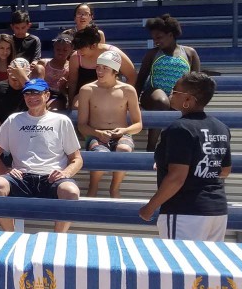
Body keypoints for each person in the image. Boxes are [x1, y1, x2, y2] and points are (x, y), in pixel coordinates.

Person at [139, 71, 231, 289]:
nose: (172, 96)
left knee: (182, 279)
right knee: (207, 277)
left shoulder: (179, 128)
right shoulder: (220, 127)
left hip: (185, 211)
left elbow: (177, 177)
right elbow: (224, 170)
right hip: (216, 210)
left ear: (189, 100)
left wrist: (150, 206)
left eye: (176, 92)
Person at [0, 78, 82, 233]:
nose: (31, 97)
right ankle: (10, 234)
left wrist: (65, 173)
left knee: (71, 191)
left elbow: (77, 159)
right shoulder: (14, 120)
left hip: (51, 178)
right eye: (27, 93)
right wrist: (5, 171)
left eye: (36, 92)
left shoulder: (62, 120)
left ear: (47, 95)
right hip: (21, 178)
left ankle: (58, 238)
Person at [77, 50, 144, 198]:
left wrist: (123, 131)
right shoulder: (87, 90)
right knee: (100, 154)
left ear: (115, 71)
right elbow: (81, 125)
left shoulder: (127, 90)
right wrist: (98, 133)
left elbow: (138, 124)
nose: (99, 71)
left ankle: (114, 188)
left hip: (121, 133)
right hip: (95, 133)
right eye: (98, 67)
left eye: (105, 68)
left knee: (124, 149)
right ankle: (93, 186)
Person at [135, 13, 201, 151]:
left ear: (171, 35)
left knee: (180, 102)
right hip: (153, 95)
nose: (155, 42)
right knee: (161, 101)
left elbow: (196, 83)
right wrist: (134, 103)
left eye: (159, 38)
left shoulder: (190, 53)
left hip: (176, 97)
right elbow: (140, 80)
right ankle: (151, 147)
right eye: (153, 38)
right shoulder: (152, 54)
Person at [67, 25, 136, 109]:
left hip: (110, 90)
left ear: (94, 46)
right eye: (77, 49)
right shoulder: (75, 57)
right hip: (84, 92)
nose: (79, 52)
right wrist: (70, 103)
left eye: (81, 49)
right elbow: (72, 82)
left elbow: (132, 76)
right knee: (77, 107)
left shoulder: (113, 53)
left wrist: (125, 97)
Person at [33, 34, 73, 110]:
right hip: (42, 93)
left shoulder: (70, 67)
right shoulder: (44, 63)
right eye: (58, 49)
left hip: (58, 96)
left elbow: (67, 93)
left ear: (71, 49)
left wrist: (63, 87)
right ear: (54, 48)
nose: (61, 52)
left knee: (52, 109)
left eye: (65, 50)